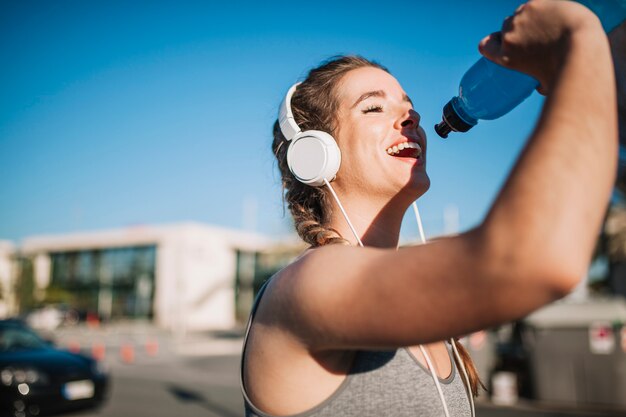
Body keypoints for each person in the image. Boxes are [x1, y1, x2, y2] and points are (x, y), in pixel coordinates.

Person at [240, 1, 618, 416]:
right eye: (373, 107)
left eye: (407, 104)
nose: (411, 115)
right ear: (317, 153)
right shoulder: (306, 287)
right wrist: (580, 40)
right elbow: (535, 260)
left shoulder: (417, 299)